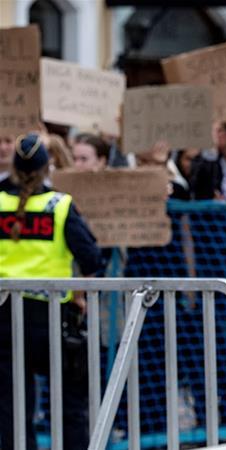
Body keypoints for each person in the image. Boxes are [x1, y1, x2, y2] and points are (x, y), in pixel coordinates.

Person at [0, 134, 104, 449]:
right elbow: (92, 258)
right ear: (48, 167)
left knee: (12, 407)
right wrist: (80, 296)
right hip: (51, 318)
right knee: (70, 403)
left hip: (5, 317)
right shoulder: (59, 205)